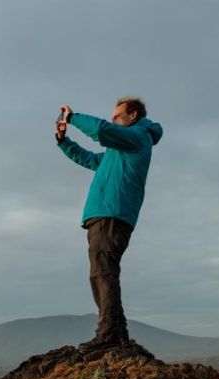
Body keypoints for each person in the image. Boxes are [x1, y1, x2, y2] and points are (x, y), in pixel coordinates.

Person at [55, 97, 163, 352]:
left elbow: (102, 130)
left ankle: (109, 335)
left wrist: (73, 117)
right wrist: (63, 142)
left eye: (117, 115)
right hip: (105, 214)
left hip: (112, 214)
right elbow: (90, 159)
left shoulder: (138, 137)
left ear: (133, 115)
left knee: (103, 273)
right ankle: (117, 334)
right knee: (103, 272)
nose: (113, 119)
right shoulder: (120, 150)